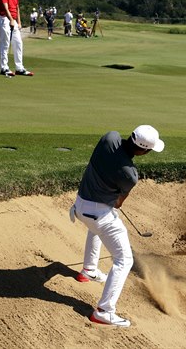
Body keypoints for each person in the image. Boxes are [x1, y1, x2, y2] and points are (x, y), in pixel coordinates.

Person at [69, 125, 164, 327]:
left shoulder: (108, 138)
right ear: (143, 150)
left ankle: (89, 270)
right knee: (124, 260)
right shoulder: (130, 174)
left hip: (78, 205)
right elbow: (118, 203)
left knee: (95, 229)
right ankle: (104, 311)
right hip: (98, 215)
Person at [0, 0, 33, 76]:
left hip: (14, 20)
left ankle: (19, 68)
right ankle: (4, 67)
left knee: (18, 43)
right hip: (4, 19)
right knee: (5, 44)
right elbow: (5, 7)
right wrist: (11, 19)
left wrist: (18, 22)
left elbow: (17, 7)